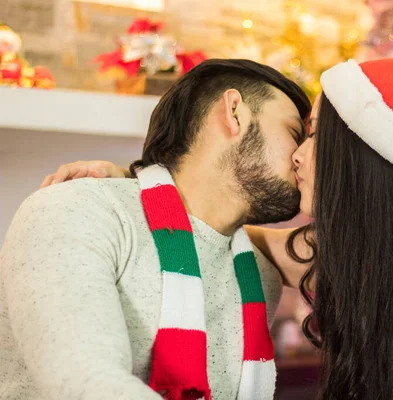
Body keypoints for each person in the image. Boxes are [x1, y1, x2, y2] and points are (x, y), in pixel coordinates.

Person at [42, 58, 393, 400]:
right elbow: (213, 227)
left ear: (366, 156)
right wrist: (135, 185)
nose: (298, 157)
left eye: (315, 134)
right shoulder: (340, 254)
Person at [0, 59, 311, 400]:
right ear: (234, 111)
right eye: (295, 133)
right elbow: (87, 385)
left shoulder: (257, 272)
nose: (302, 155)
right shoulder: (78, 210)